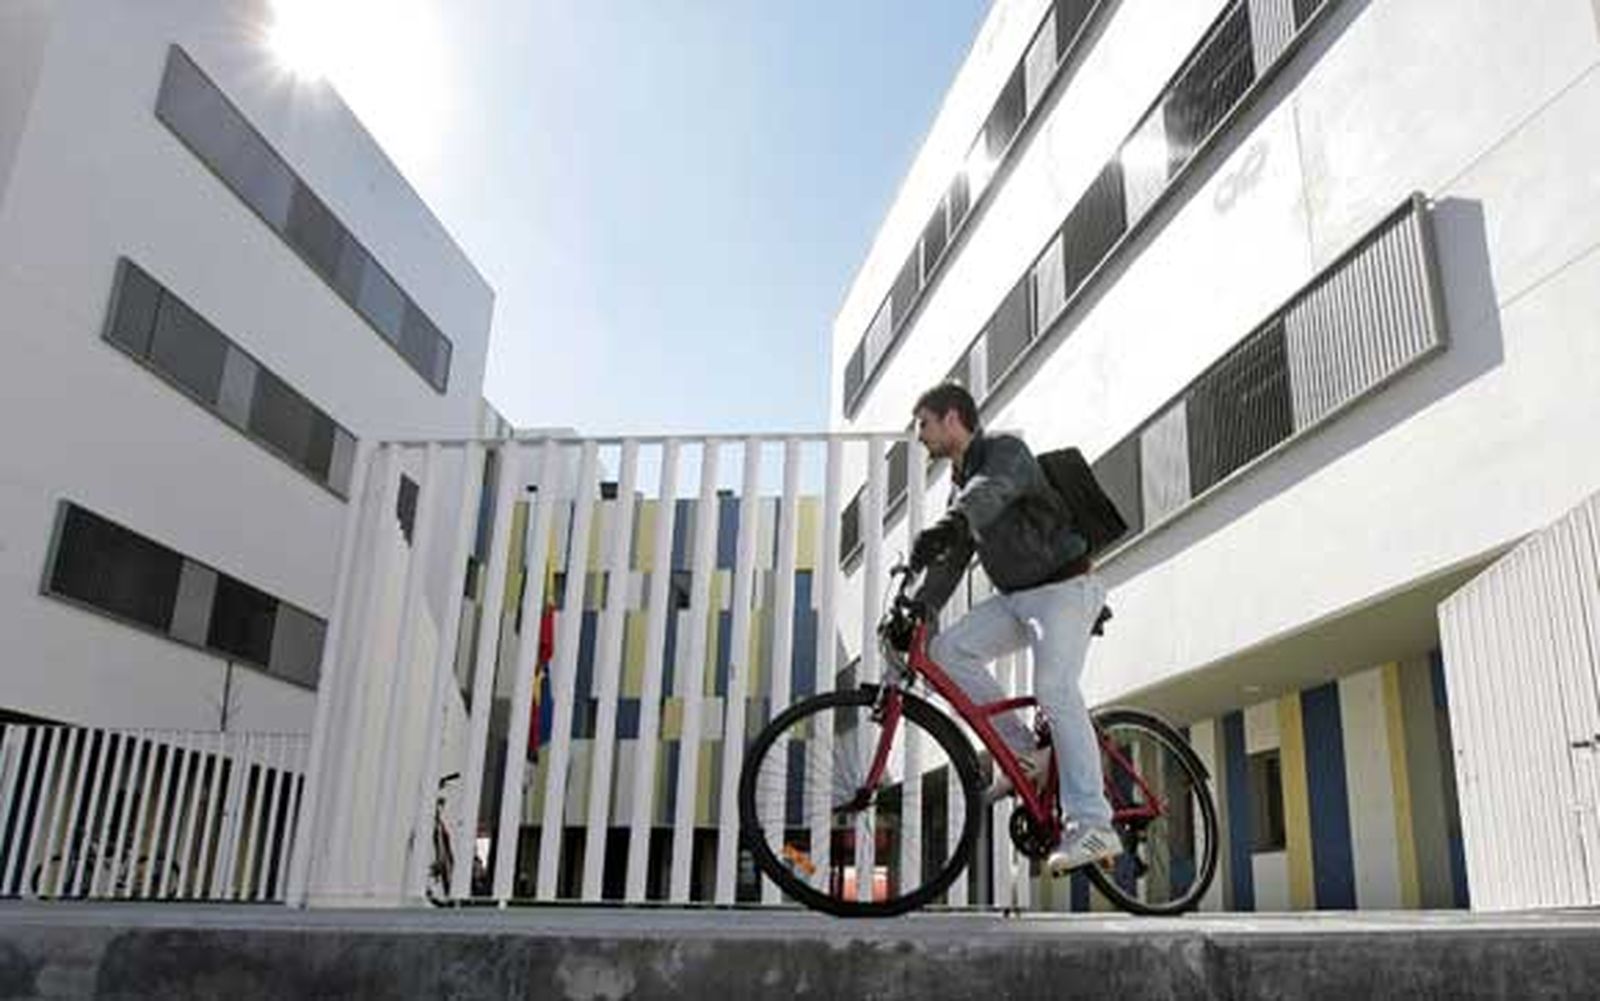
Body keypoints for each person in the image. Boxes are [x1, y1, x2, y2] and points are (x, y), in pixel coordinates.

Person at [905, 382, 1119, 875]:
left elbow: (992, 492)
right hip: (1018, 597)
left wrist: (953, 523)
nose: (920, 436)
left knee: (1053, 687)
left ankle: (1093, 824)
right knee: (946, 651)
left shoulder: (1005, 454)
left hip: (1065, 588)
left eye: (924, 424)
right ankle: (1026, 754)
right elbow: (953, 557)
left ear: (953, 418)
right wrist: (918, 609)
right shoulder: (960, 486)